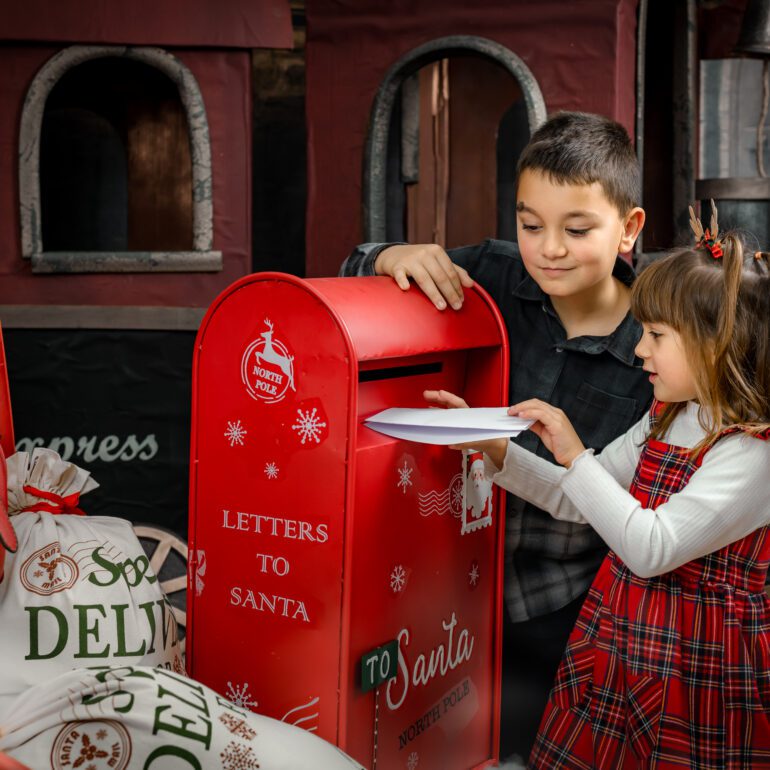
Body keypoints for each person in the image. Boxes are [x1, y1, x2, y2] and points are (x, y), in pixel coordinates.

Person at [341, 111, 653, 759]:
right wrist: (388, 256)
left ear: (629, 229)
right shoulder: (493, 272)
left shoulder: (655, 345)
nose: (550, 249)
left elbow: (618, 503)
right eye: (530, 224)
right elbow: (355, 276)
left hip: (559, 606)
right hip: (443, 583)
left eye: (577, 229)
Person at [432, 210, 770, 767]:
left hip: (698, 666)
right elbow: (576, 498)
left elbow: (649, 547)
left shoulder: (751, 453)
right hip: (626, 644)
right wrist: (491, 447)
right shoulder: (668, 416)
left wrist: (572, 451)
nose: (640, 351)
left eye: (657, 337)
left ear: (718, 344)